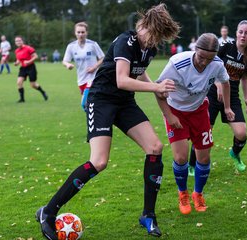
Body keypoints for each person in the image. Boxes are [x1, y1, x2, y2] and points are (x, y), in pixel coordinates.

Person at [35, 4, 180, 239]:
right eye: (153, 34)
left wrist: (157, 91)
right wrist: (156, 87)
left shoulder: (149, 49)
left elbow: (139, 72)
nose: (155, 41)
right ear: (142, 26)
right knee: (99, 162)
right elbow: (122, 79)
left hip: (124, 103)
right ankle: (48, 212)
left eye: (159, 37)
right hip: (101, 100)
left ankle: (148, 215)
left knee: (155, 147)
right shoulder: (126, 41)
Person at [155, 33, 234, 215]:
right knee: (181, 158)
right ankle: (182, 193)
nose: (204, 63)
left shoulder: (217, 64)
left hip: (199, 111)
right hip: (175, 112)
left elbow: (226, 82)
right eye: (201, 57)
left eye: (209, 58)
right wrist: (169, 116)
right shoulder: (177, 63)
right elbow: (158, 90)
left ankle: (198, 194)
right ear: (195, 50)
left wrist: (228, 107)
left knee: (204, 158)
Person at [188, 20, 247, 175]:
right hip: (212, 94)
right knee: (204, 133)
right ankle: (192, 165)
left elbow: (244, 78)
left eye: (246, 33)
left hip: (232, 98)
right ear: (236, 32)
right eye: (240, 32)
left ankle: (235, 153)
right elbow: (210, 64)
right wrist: (218, 83)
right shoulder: (225, 47)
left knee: (241, 134)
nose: (243, 35)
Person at [63, 22, 105, 111]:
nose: (80, 34)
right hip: (81, 78)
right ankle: (95, 120)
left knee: (84, 103)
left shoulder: (93, 44)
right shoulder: (71, 46)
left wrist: (94, 67)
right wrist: (68, 65)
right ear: (75, 33)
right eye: (78, 32)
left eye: (82, 32)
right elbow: (65, 61)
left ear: (86, 33)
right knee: (88, 106)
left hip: (93, 77)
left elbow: (102, 58)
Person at [14, 36, 48, 103]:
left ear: (22, 41)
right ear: (15, 43)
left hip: (31, 67)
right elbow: (18, 60)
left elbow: (36, 56)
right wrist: (16, 63)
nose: (18, 42)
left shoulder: (28, 48)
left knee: (33, 85)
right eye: (16, 41)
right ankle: (22, 99)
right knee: (19, 82)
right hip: (23, 68)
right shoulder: (16, 51)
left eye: (19, 40)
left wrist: (29, 61)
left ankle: (43, 92)